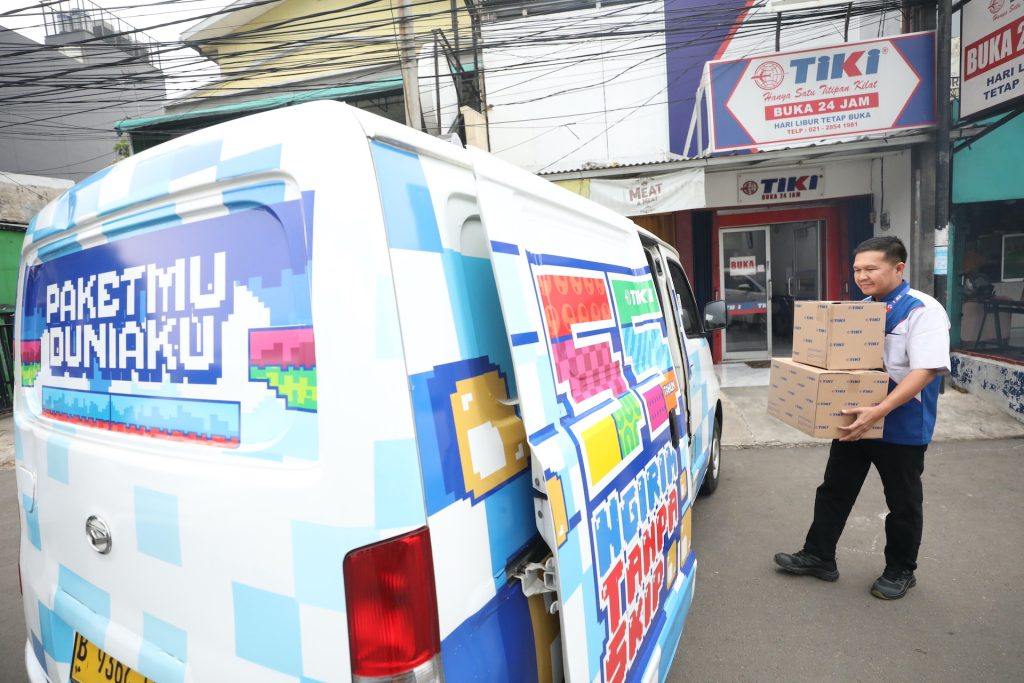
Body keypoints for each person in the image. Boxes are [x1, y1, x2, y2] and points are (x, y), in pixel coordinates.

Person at [774, 236, 951, 600]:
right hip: (856, 417)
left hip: (901, 423)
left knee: (903, 502)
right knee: (835, 489)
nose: (862, 276)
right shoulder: (861, 309)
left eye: (871, 268)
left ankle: (901, 570)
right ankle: (819, 555)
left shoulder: (922, 310)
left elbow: (926, 371)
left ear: (898, 268)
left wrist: (879, 411)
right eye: (857, 270)